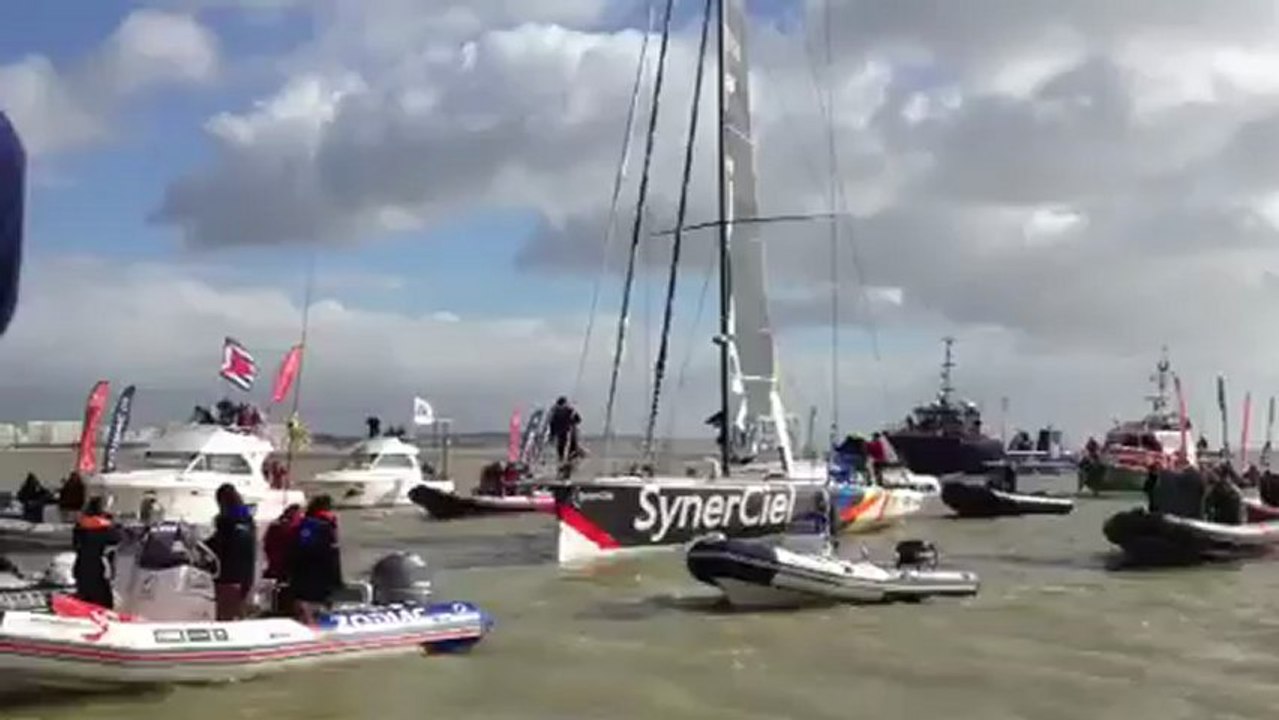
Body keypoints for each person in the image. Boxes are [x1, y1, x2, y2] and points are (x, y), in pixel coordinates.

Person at [288, 495, 343, 624]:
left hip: (302, 577)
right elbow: (332, 556)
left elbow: (295, 552)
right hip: (319, 579)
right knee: (317, 611)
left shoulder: (303, 524)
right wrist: (337, 581)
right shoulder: (324, 526)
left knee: (305, 609)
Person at [205, 484, 256, 621]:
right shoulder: (247, 520)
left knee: (225, 616)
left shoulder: (227, 523)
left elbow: (219, 545)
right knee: (238, 612)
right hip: (245, 576)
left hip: (228, 576)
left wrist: (202, 546)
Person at [72, 497, 121, 609]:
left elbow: (75, 545)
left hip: (82, 564)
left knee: (85, 597)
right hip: (99, 565)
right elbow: (117, 540)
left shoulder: (80, 526)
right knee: (103, 599)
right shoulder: (107, 527)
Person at [548, 397, 582, 464]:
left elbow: (552, 424)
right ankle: (568, 460)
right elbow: (578, 420)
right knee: (569, 447)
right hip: (568, 432)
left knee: (561, 449)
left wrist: (552, 435)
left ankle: (563, 461)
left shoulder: (555, 412)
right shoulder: (569, 410)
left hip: (561, 434)